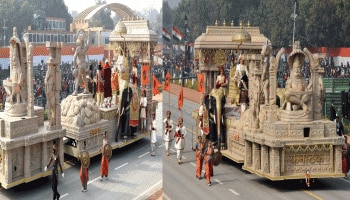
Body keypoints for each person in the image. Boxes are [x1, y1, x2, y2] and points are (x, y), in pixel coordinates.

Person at [72, 29, 90, 96]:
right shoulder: (84, 48)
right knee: (84, 77)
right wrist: (88, 37)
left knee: (78, 78)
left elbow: (74, 59)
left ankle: (76, 90)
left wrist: (75, 66)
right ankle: (87, 89)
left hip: (79, 64)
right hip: (84, 64)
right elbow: (88, 44)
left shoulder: (78, 49)